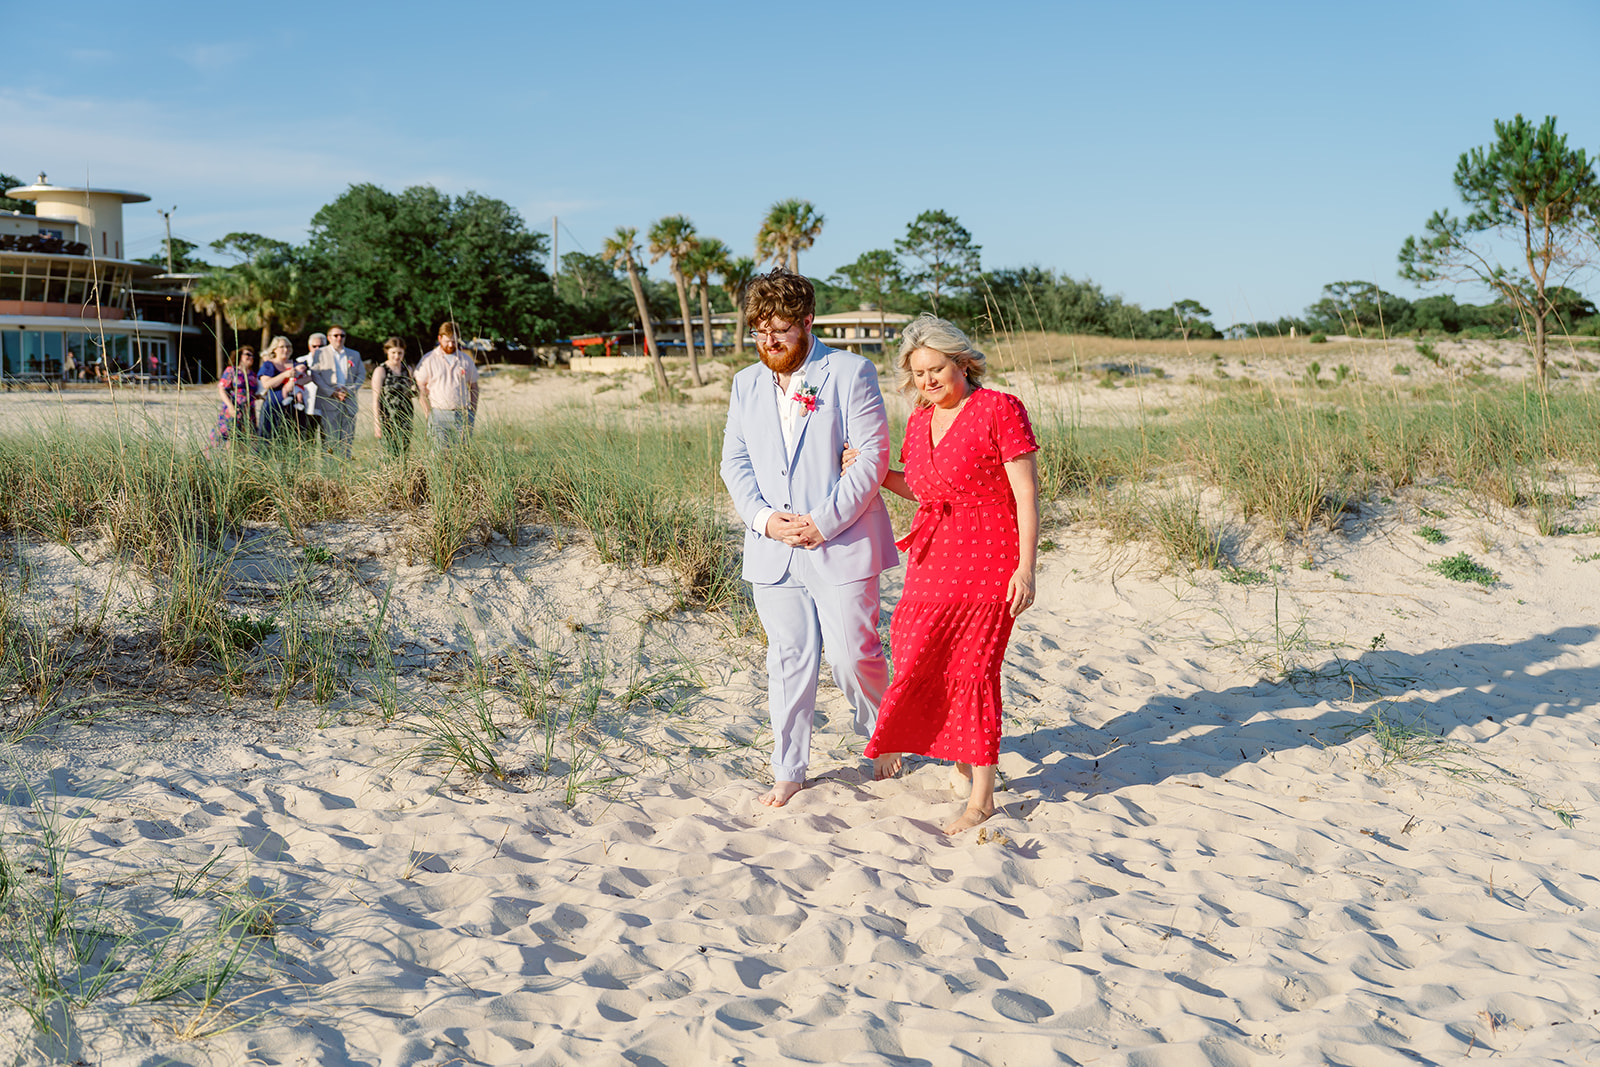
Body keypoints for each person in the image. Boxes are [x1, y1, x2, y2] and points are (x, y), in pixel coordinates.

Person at [849, 313, 1040, 834]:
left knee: (974, 670)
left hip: (990, 554)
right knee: (914, 651)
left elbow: (1026, 492)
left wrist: (1026, 566)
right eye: (919, 374)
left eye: (937, 369)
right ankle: (959, 761)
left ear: (962, 362)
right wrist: (875, 473)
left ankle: (982, 798)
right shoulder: (917, 420)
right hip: (933, 558)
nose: (928, 381)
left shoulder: (999, 408)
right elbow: (928, 490)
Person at [718, 269, 899, 808]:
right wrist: (762, 519)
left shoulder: (850, 372)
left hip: (840, 544)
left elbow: (871, 457)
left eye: (780, 330)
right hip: (772, 549)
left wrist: (823, 521)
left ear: (807, 322)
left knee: (851, 655)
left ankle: (883, 737)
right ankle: (788, 768)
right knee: (789, 658)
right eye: (758, 331)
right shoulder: (745, 384)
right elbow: (735, 460)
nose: (768, 342)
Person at [415, 322, 479, 442]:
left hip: (462, 415)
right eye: (447, 341)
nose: (450, 345)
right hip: (438, 415)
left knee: (463, 454)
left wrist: (472, 412)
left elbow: (474, 386)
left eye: (454, 341)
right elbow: (420, 388)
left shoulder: (466, 360)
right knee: (439, 455)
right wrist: (428, 414)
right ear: (439, 339)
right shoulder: (428, 359)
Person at [311, 325, 365, 457]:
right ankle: (329, 473)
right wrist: (331, 392)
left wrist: (349, 390)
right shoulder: (320, 353)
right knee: (329, 442)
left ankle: (344, 472)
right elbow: (315, 374)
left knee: (347, 441)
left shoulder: (354, 354)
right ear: (329, 338)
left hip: (348, 401)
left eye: (342, 335)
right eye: (336, 335)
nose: (339, 338)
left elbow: (361, 375)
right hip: (329, 402)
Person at [257, 336, 311, 440]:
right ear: (274, 349)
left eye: (288, 346)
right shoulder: (269, 365)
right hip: (274, 408)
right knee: (271, 440)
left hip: (294, 409)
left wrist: (295, 383)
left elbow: (309, 377)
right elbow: (267, 384)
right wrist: (284, 375)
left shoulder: (296, 364)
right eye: (282, 347)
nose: (286, 349)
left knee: (295, 439)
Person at [370, 336, 415, 455]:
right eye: (393, 352)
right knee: (387, 454)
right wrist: (377, 424)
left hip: (405, 419)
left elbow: (411, 392)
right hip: (388, 419)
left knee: (404, 454)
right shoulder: (381, 370)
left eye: (400, 353)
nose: (397, 356)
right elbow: (376, 400)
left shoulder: (407, 370)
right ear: (387, 352)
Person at [208, 346, 259, 449]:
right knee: (230, 436)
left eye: (252, 355)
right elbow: (222, 389)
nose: (251, 357)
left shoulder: (253, 374)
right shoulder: (232, 370)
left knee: (245, 439)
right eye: (247, 355)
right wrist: (230, 406)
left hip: (249, 411)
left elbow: (252, 392)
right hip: (234, 408)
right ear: (240, 356)